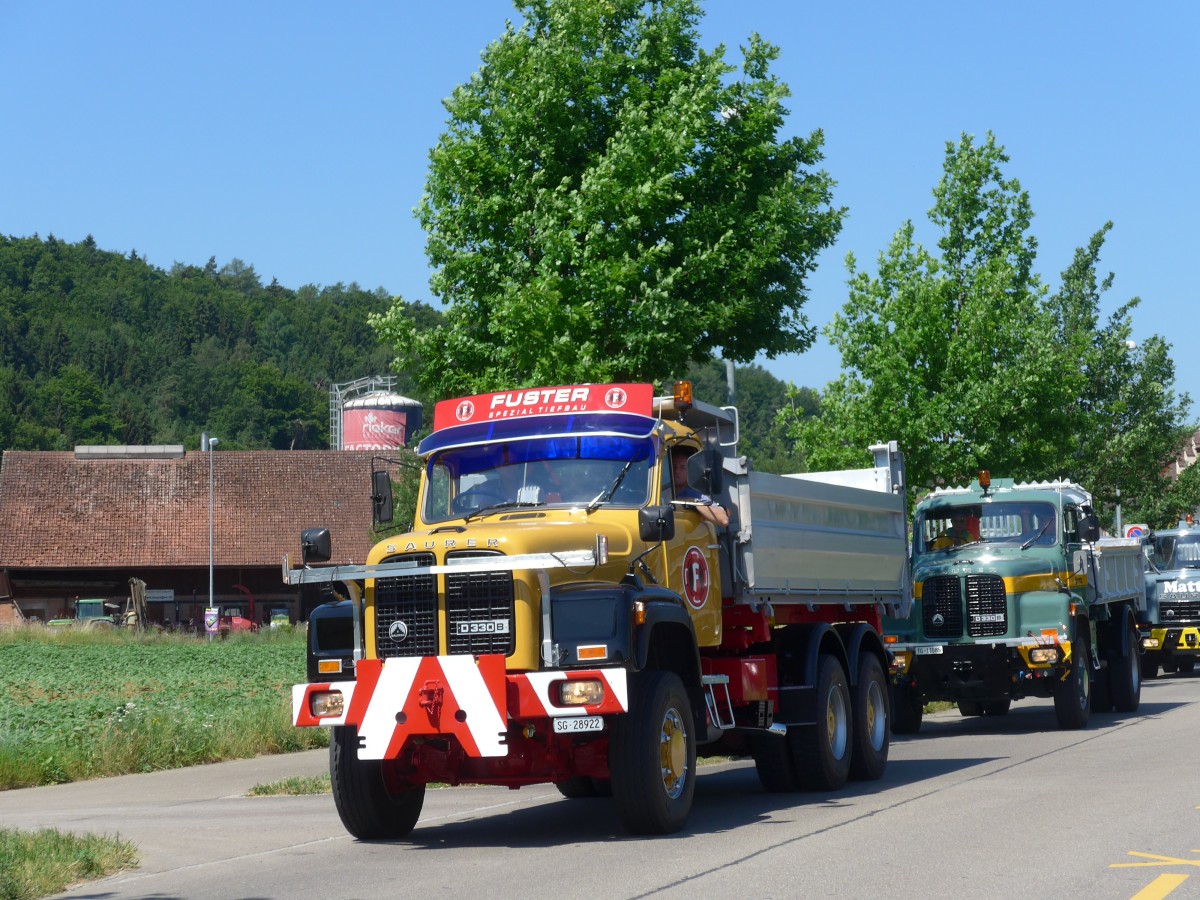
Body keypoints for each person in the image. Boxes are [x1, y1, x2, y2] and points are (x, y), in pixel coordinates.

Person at [670, 449, 729, 527]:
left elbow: (723, 519)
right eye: (673, 467)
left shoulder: (693, 495)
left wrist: (692, 503)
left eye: (682, 467)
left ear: (689, 471)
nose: (677, 471)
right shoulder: (656, 493)